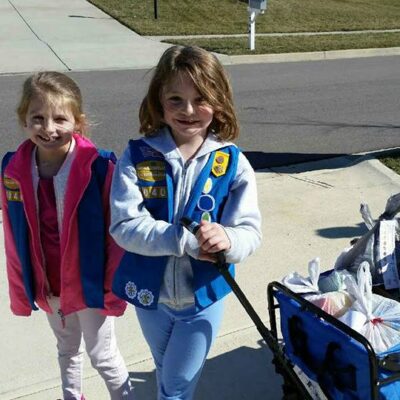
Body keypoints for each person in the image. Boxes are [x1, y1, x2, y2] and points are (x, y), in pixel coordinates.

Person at [110, 45, 262, 400]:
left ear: (219, 101)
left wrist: (227, 238)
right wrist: (184, 240)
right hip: (151, 297)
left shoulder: (232, 162)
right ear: (158, 101)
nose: (188, 110)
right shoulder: (137, 155)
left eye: (200, 99)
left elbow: (249, 231)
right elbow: (123, 225)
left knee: (175, 388)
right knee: (166, 373)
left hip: (204, 298)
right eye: (175, 99)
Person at [1, 71, 135, 400]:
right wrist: (22, 286)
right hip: (49, 284)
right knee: (66, 350)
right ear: (24, 120)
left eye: (60, 118)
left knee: (102, 356)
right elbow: (12, 237)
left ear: (78, 121)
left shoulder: (100, 169)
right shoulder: (13, 171)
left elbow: (115, 239)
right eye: (38, 118)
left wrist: (111, 287)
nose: (48, 129)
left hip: (91, 285)